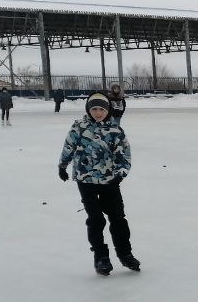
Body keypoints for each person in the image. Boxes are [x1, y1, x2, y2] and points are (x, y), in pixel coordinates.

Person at [58, 92, 140, 276]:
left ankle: (125, 254)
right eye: (94, 109)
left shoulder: (115, 130)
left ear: (108, 110)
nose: (98, 113)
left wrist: (120, 174)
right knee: (96, 219)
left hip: (109, 181)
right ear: (88, 109)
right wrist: (62, 165)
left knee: (118, 218)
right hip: (85, 180)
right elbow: (68, 146)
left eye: (101, 109)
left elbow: (124, 156)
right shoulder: (79, 127)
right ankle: (101, 257)